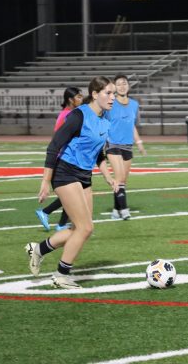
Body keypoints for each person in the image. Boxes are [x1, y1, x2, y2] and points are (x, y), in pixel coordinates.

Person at [25, 76, 117, 289]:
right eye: (108, 93)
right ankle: (61, 275)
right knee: (85, 228)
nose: (113, 97)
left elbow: (98, 154)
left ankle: (39, 250)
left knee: (81, 229)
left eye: (114, 93)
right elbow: (54, 146)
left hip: (84, 175)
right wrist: (46, 181)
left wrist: (108, 176)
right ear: (95, 94)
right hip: (65, 173)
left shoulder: (105, 119)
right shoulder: (79, 115)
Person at [35, 86, 83, 232]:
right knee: (72, 194)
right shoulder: (66, 115)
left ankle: (59, 223)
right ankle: (50, 215)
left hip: (71, 159)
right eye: (79, 97)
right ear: (70, 99)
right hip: (62, 160)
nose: (82, 99)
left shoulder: (73, 113)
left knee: (72, 193)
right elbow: (58, 139)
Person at [104, 74, 146, 220]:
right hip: (113, 144)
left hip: (127, 145)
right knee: (120, 178)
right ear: (114, 87)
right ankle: (124, 210)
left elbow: (131, 125)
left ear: (128, 86)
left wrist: (139, 142)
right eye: (119, 84)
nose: (122, 86)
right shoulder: (109, 103)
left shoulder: (134, 104)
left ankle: (116, 210)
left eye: (124, 83)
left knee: (123, 181)